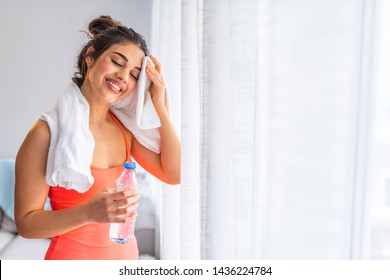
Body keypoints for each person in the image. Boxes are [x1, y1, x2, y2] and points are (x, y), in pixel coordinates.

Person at [14, 15, 180, 260]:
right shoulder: (46, 132)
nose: (124, 76)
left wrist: (160, 104)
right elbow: (27, 224)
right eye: (116, 62)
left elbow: (174, 174)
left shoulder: (125, 131)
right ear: (90, 57)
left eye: (135, 75)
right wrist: (88, 213)